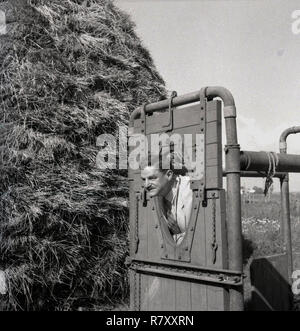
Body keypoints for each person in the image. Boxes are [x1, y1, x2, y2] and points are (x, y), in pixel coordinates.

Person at [140, 150, 193, 245]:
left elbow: (198, 236)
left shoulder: (190, 190)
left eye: (152, 178)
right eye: (144, 179)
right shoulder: (157, 194)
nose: (146, 185)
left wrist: (177, 236)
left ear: (169, 175)